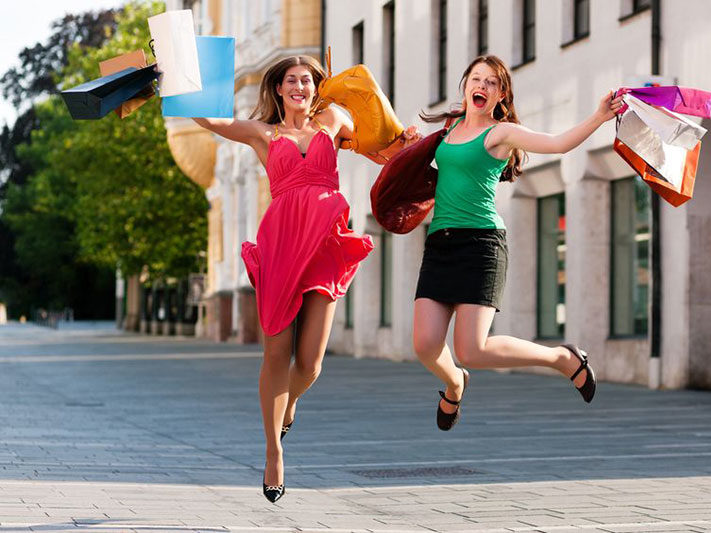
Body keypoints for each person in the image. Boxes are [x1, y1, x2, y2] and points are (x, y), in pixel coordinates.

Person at [193, 55, 417, 502]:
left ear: (317, 88)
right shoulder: (264, 134)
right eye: (291, 80)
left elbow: (381, 140)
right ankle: (273, 452)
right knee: (277, 352)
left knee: (311, 362)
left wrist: (403, 144)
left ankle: (290, 404)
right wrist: (174, 80)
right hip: (280, 242)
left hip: (326, 242)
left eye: (307, 80)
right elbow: (211, 120)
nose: (300, 86)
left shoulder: (333, 119)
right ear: (277, 89)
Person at [412, 55, 623, 431]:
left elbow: (557, 144)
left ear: (501, 94)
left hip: (481, 244)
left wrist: (599, 116)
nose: (482, 85)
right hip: (440, 243)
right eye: (476, 79)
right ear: (465, 85)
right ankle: (454, 383)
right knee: (425, 345)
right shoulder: (449, 128)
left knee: (472, 350)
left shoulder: (501, 133)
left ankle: (561, 358)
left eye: (492, 82)